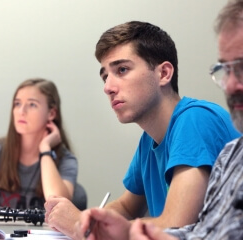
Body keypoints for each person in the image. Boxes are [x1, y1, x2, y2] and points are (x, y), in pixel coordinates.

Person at [44, 21, 241, 238]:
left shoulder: (195, 119)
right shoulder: (149, 140)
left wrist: (78, 223)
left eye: (122, 70)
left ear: (164, 73)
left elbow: (176, 225)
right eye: (105, 76)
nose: (108, 87)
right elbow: (127, 208)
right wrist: (90, 219)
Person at [0, 78, 77, 210]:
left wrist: (45, 150)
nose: (21, 111)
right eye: (17, 104)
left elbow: (57, 205)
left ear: (51, 113)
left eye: (32, 105)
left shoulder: (66, 160)